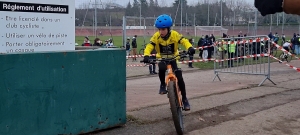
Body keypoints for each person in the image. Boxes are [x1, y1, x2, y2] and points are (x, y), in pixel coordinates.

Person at [142, 14, 195, 111]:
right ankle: (162, 84)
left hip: (174, 57)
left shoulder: (174, 34)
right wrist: (146, 55)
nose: (161, 32)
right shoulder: (156, 36)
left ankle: (184, 98)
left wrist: (190, 47)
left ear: (168, 29)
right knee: (161, 68)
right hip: (162, 58)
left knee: (179, 76)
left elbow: (184, 41)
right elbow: (150, 45)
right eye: (159, 29)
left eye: (163, 29)